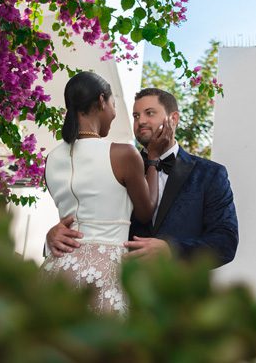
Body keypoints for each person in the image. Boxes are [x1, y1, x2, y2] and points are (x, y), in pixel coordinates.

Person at [46, 87, 239, 269]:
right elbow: (89, 219)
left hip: (180, 295)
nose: (141, 121)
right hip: (119, 288)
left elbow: (226, 242)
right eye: (136, 116)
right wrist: (52, 236)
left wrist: (171, 249)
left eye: (150, 113)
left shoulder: (210, 174)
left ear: (174, 118)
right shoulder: (119, 165)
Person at [40, 72, 170, 314]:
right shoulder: (123, 154)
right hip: (105, 273)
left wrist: (51, 235)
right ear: (101, 101)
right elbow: (145, 211)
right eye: (113, 104)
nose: (114, 113)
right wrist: (152, 159)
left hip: (58, 269)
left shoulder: (51, 159)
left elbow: (70, 217)